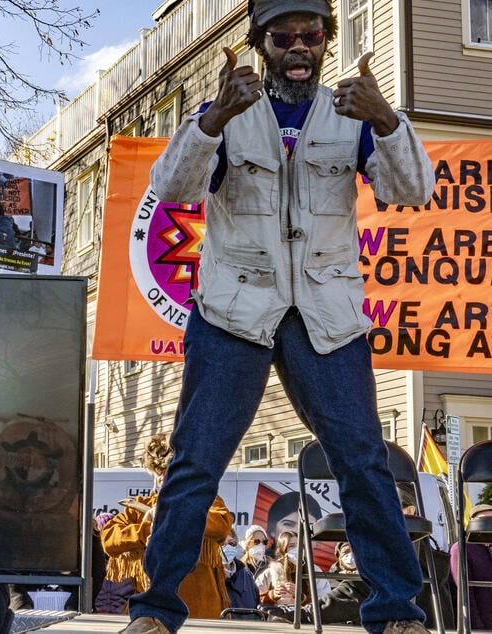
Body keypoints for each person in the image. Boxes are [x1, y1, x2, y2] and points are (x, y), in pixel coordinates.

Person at [119, 0, 436, 632]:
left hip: (326, 314)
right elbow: (173, 188)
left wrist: (388, 120)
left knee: (364, 460)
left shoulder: (351, 114)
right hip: (236, 310)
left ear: (325, 42)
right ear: (259, 45)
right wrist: (213, 119)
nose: (299, 47)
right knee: (194, 460)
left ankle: (396, 611)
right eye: (283, 37)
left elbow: (415, 191)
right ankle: (155, 611)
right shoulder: (228, 112)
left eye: (311, 36)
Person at [102, 434, 231, 617]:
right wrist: (147, 528)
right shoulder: (138, 507)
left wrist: (170, 517)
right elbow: (109, 538)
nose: (165, 480)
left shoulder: (206, 501)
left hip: (202, 613)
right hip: (155, 612)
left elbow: (221, 525)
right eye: (161, 474)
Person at [255, 530, 330, 611]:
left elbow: (325, 602)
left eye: (300, 545)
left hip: (307, 621)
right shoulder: (271, 572)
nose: (297, 549)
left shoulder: (314, 570)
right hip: (277, 620)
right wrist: (271, 595)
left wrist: (302, 597)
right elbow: (254, 601)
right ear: (282, 550)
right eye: (291, 546)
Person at [449, 504, 491, 629]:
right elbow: (465, 594)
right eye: (485, 520)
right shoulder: (461, 549)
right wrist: (475, 627)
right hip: (478, 627)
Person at [222, 528, 259, 617]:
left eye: (232, 543)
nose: (227, 547)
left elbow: (256, 608)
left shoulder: (246, 574)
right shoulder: (207, 575)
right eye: (222, 544)